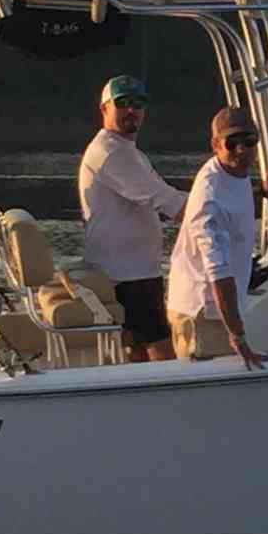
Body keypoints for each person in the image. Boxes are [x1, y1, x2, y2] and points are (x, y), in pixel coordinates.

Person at [78, 74, 188, 361]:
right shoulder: (112, 153)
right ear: (104, 109)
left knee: (137, 351)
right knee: (163, 352)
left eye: (138, 103)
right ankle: (173, 403)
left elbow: (165, 198)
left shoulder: (127, 151)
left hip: (134, 272)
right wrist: (222, 208)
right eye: (123, 103)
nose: (131, 110)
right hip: (128, 275)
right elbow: (172, 204)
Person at [167, 105, 268, 371]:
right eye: (232, 143)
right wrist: (238, 336)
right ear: (216, 145)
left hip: (217, 311)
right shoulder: (209, 199)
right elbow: (219, 274)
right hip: (202, 315)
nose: (241, 149)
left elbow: (233, 206)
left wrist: (262, 192)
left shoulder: (231, 173)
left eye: (249, 141)